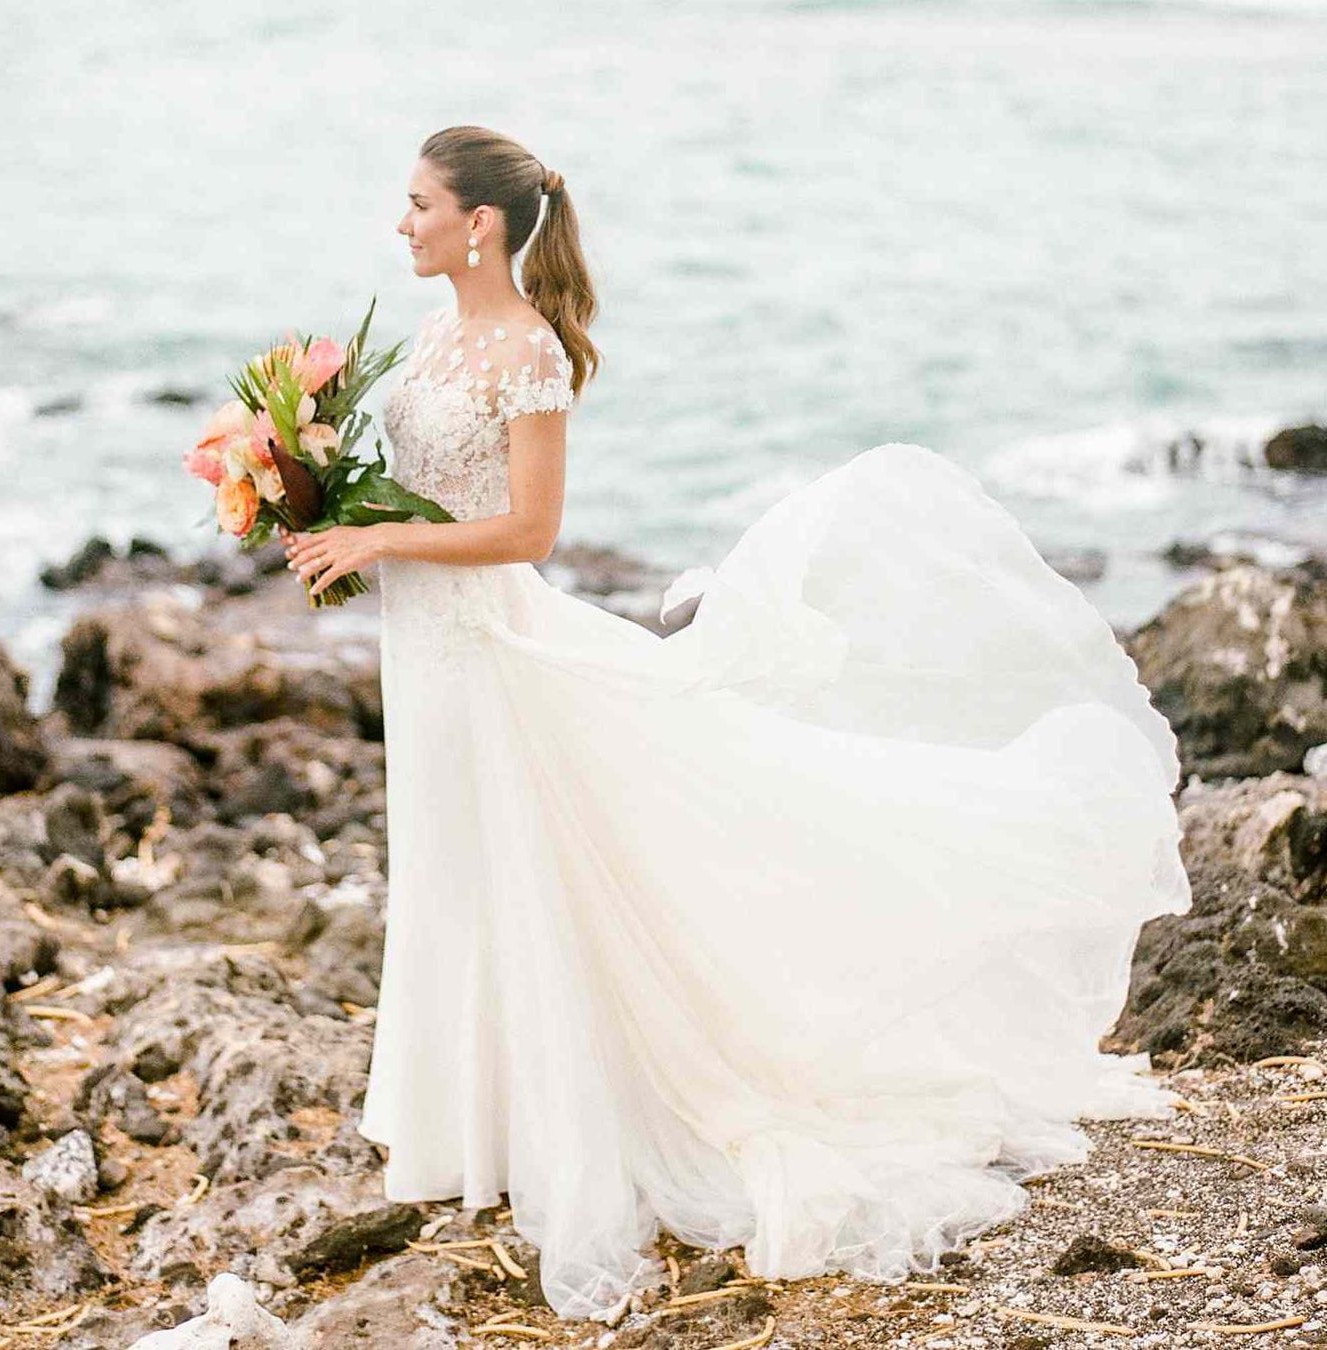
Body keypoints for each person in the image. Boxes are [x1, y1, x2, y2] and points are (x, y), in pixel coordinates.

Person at [278, 124, 1192, 1324]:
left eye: (416, 204)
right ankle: (469, 1130)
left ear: (479, 224)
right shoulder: (437, 335)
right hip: (426, 649)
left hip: (492, 643)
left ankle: (563, 1126)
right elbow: (395, 486)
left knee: (525, 867)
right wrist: (301, 465)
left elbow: (530, 533)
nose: (401, 223)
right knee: (455, 866)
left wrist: (383, 538)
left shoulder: (528, 352)